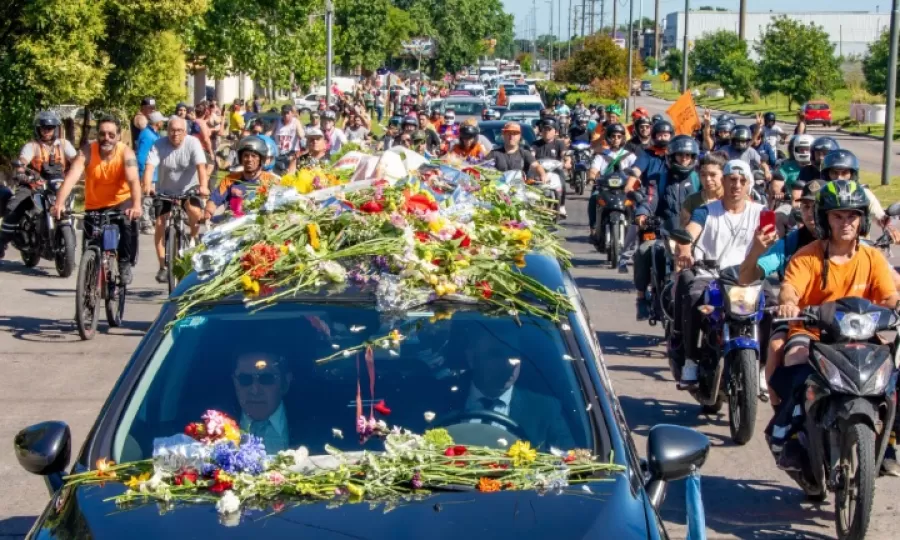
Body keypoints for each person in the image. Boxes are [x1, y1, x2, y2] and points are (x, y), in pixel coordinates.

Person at [770, 180, 900, 472]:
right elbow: (790, 288)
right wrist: (789, 302)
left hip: (861, 335)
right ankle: (792, 433)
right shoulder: (808, 256)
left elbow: (889, 294)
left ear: (863, 219)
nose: (846, 223)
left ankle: (890, 440)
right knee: (795, 358)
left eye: (852, 215)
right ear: (824, 218)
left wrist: (896, 302)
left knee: (893, 371)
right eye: (838, 216)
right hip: (813, 333)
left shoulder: (871, 257)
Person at [672, 160, 764, 384]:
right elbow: (689, 234)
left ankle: (762, 367)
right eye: (732, 180)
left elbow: (777, 232)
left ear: (749, 184)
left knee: (771, 305)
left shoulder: (761, 212)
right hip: (710, 275)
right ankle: (691, 360)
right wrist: (685, 249)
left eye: (742, 181)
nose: (737, 185)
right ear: (723, 182)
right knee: (694, 297)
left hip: (747, 277)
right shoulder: (705, 211)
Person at [51, 116, 143, 284]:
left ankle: (123, 264)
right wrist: (59, 203)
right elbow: (71, 177)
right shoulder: (87, 151)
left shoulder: (125, 153)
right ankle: (89, 283)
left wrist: (136, 205)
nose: (106, 138)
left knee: (127, 222)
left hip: (121, 202)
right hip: (94, 205)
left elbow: (133, 180)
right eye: (102, 134)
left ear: (118, 136)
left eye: (111, 134)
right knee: (91, 244)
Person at [454, 331, 574, 449]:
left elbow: (569, 458)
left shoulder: (545, 409)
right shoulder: (440, 400)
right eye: (496, 354)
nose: (510, 364)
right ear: (471, 358)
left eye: (514, 355)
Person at [631, 135, 702, 320]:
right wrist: (642, 214)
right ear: (671, 157)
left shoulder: (698, 181)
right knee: (644, 250)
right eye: (680, 155)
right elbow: (649, 199)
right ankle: (641, 298)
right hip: (665, 233)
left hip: (694, 236)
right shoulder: (659, 180)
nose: (684, 159)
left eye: (688, 156)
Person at [142, 116, 209, 283]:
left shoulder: (193, 143)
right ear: (167, 131)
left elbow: (201, 167)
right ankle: (163, 266)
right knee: (159, 223)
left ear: (185, 132)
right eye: (172, 130)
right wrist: (147, 184)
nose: (175, 134)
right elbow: (150, 167)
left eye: (179, 131)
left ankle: (193, 237)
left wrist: (204, 187)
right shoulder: (159, 145)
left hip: (189, 190)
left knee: (194, 212)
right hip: (165, 191)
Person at [205, 136, 279, 220]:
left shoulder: (272, 181)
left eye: (254, 156)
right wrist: (208, 212)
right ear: (241, 159)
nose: (249, 159)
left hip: (259, 224)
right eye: (246, 156)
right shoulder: (230, 179)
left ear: (261, 159)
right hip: (232, 223)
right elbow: (215, 199)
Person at [232, 352, 293, 453]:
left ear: (285, 382)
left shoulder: (314, 426)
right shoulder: (211, 427)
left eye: (266, 379)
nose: (255, 391)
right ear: (235, 382)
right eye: (245, 379)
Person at [587, 123, 638, 236]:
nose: (616, 139)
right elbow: (594, 169)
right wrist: (591, 177)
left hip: (624, 188)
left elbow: (637, 170)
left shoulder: (630, 155)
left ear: (623, 138)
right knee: (594, 198)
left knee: (637, 200)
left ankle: (635, 228)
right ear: (608, 138)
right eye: (613, 136)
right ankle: (594, 227)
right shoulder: (601, 155)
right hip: (605, 188)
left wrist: (637, 179)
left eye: (619, 136)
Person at [532, 118, 571, 217]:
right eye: (544, 129)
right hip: (539, 171)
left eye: (549, 129)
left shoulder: (559, 143)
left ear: (555, 132)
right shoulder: (535, 144)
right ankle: (532, 205)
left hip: (556, 170)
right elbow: (531, 155)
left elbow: (564, 154)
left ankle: (562, 205)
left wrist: (567, 161)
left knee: (562, 182)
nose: (546, 132)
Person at [135, 112, 165, 234]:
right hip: (148, 173)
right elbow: (142, 156)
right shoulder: (147, 135)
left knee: (152, 199)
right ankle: (145, 224)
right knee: (146, 200)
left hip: (155, 173)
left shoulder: (154, 134)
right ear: (157, 123)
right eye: (162, 121)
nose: (163, 123)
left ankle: (151, 220)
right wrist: (143, 174)